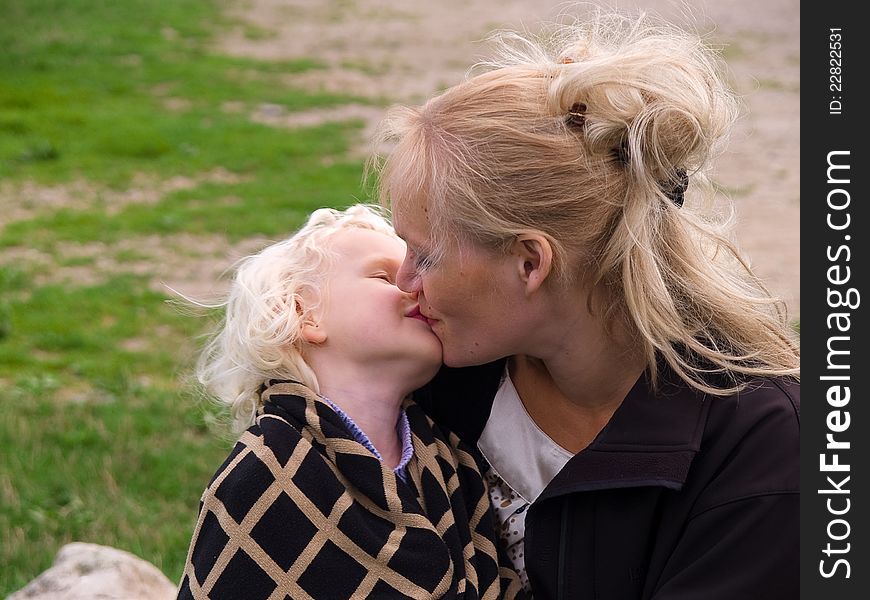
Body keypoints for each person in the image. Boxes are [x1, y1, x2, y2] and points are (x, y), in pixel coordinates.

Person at [369, 12, 800, 600]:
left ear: (530, 262)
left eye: (424, 255)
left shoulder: (766, 456)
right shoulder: (433, 378)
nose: (402, 282)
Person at [176, 205, 526, 599]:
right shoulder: (267, 470)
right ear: (302, 313)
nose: (416, 286)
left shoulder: (452, 461)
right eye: (383, 275)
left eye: (423, 270)